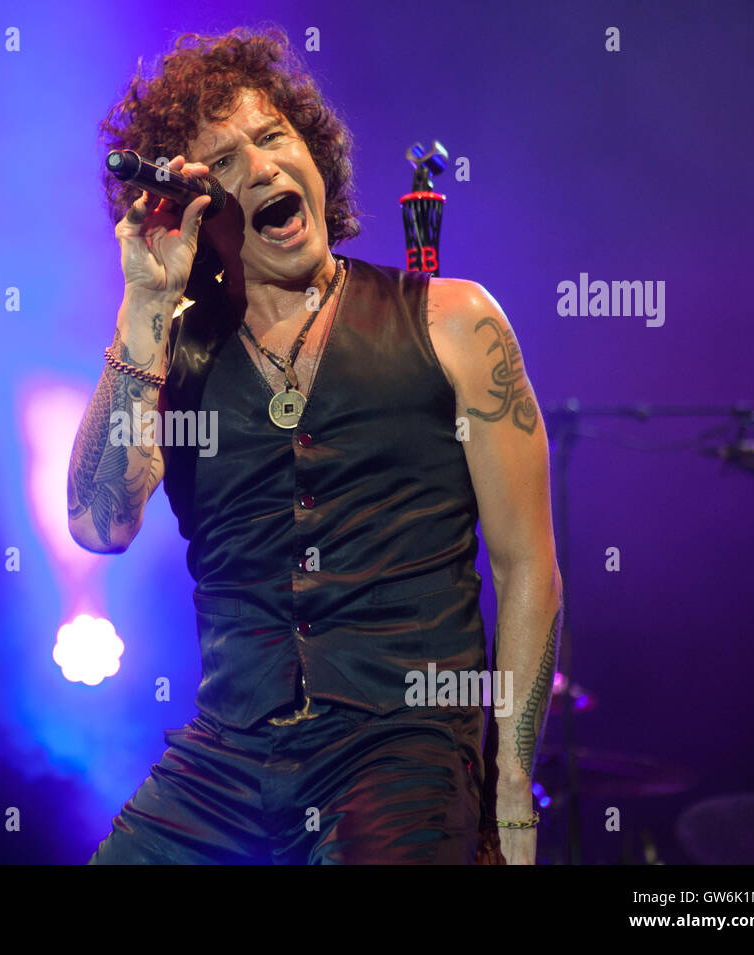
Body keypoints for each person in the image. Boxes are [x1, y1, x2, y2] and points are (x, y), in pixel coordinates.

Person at [67, 26, 562, 864]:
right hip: (228, 755)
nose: (261, 169)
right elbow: (98, 524)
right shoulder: (173, 358)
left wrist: (510, 794)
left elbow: (527, 568)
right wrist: (147, 302)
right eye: (224, 164)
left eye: (273, 137)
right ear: (197, 213)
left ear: (314, 154)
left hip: (401, 748)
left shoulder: (453, 323)